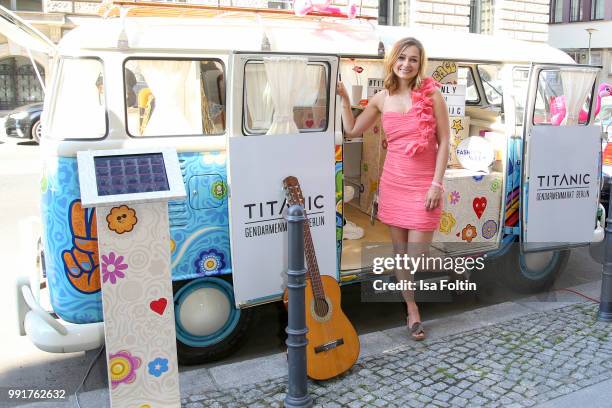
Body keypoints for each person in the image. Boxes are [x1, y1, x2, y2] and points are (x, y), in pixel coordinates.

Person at [337, 37, 450, 340]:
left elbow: (444, 142)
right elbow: (351, 130)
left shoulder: (432, 95)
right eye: (402, 58)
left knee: (414, 255)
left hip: (425, 184)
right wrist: (345, 100)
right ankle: (412, 308)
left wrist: (436, 184)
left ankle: (406, 293)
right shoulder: (381, 98)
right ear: (393, 61)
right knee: (400, 253)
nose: (406, 64)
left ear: (419, 64)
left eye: (413, 59)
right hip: (394, 182)